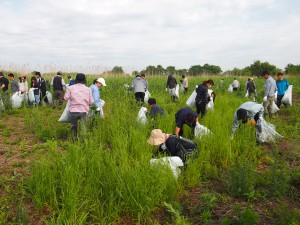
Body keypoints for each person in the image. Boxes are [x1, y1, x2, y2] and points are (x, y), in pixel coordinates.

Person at [64, 73, 93, 141]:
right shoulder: (88, 89)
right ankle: (83, 140)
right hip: (83, 111)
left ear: (76, 80)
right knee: (83, 126)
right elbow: (91, 101)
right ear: (84, 80)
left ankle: (74, 139)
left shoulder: (70, 88)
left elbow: (65, 98)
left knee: (74, 126)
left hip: (73, 111)